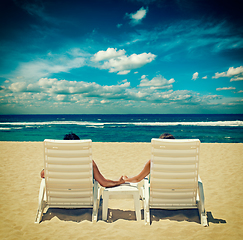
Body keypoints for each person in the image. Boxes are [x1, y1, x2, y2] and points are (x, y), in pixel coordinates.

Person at [40, 132, 125, 188]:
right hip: (82, 199)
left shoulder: (56, 162)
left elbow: (42, 174)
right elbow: (104, 183)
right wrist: (118, 182)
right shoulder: (88, 163)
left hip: (59, 199)